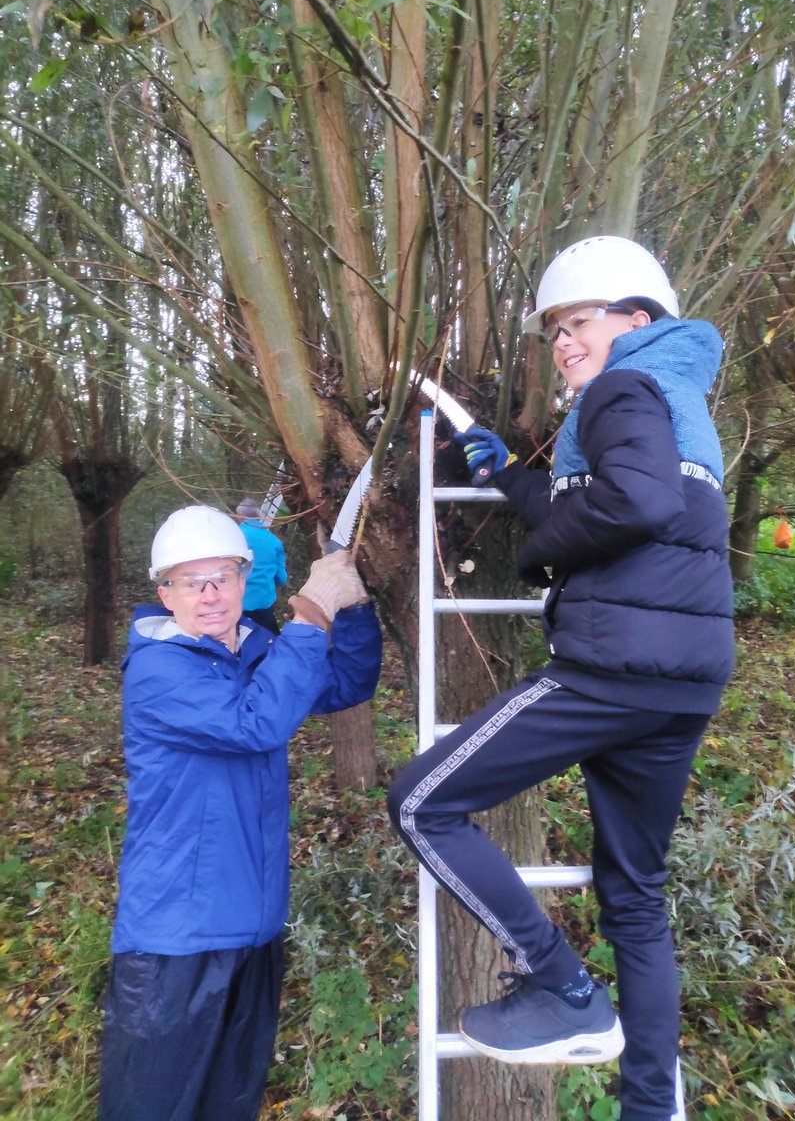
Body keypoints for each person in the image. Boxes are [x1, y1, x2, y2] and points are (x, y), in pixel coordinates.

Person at [387, 236, 734, 1121]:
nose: (564, 345)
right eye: (553, 333)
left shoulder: (622, 388)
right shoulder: (676, 397)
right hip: (684, 680)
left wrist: (540, 553)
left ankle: (563, 989)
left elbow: (635, 504)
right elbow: (627, 500)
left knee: (422, 802)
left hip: (615, 667)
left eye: (578, 322)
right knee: (636, 897)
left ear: (638, 320)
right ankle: (651, 1107)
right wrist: (511, 478)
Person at [98, 504, 381, 1121]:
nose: (209, 595)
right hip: (176, 941)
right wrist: (311, 612)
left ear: (243, 579)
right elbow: (256, 723)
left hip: (254, 929)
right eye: (189, 582)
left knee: (231, 1102)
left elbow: (346, 684)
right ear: (164, 593)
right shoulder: (158, 670)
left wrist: (351, 607)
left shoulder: (256, 651)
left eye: (221, 577)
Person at [235, 496, 289, 634]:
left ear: (240, 516)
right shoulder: (274, 541)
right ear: (259, 517)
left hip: (235, 606)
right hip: (263, 606)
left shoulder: (232, 537)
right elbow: (281, 579)